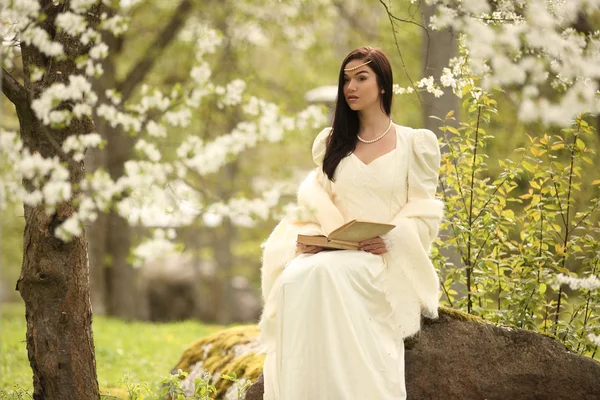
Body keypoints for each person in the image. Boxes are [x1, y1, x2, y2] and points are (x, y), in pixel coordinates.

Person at [258, 46, 444, 400]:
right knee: (298, 275)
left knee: (328, 274)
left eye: (361, 78)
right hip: (336, 248)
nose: (351, 87)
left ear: (383, 85)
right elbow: (315, 202)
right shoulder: (332, 143)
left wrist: (393, 239)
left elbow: (423, 209)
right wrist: (311, 236)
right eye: (346, 79)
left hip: (381, 256)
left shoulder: (415, 144)